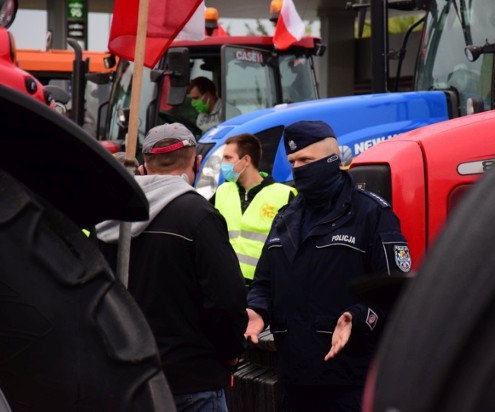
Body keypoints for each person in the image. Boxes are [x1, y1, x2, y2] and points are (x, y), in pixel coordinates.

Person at [245, 120, 412, 412]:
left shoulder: (371, 214)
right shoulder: (285, 218)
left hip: (350, 383)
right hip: (295, 381)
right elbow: (264, 282)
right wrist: (257, 310)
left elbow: (396, 291)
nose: (298, 168)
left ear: (331, 160)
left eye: (306, 160)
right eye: (293, 161)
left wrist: (357, 317)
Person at [96, 122, 248, 411]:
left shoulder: (110, 217)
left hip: (125, 379)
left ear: (144, 166)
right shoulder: (199, 216)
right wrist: (231, 353)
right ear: (197, 161)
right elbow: (226, 299)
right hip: (192, 382)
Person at [211, 133, 297, 285]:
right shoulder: (222, 191)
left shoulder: (284, 194)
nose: (223, 164)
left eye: (228, 158)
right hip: (225, 282)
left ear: (246, 160)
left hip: (264, 286)